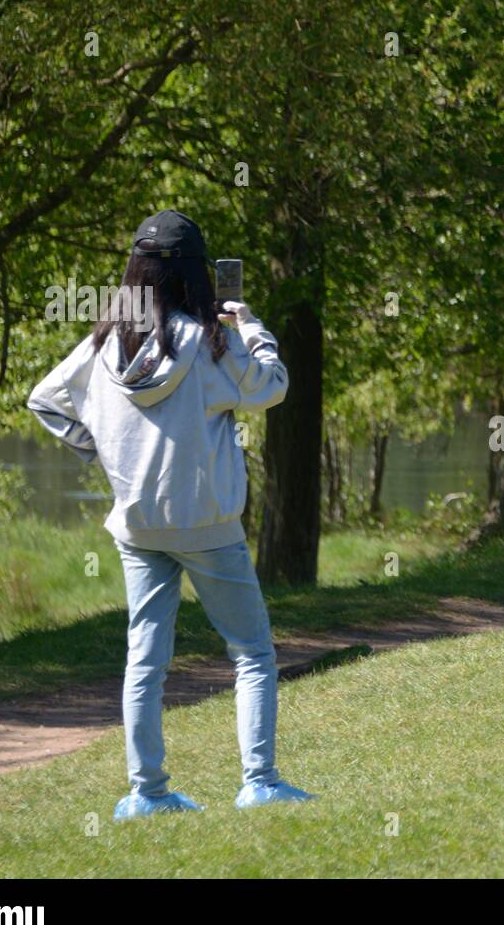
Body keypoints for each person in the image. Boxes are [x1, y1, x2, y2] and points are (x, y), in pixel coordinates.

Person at [28, 209, 317, 817]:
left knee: (145, 660)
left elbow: (44, 400)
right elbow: (273, 385)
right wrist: (249, 323)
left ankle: (147, 795)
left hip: (137, 527)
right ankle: (259, 782)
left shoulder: (101, 345)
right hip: (207, 524)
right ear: (196, 275)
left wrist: (99, 448)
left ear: (134, 273)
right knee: (252, 651)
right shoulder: (211, 343)